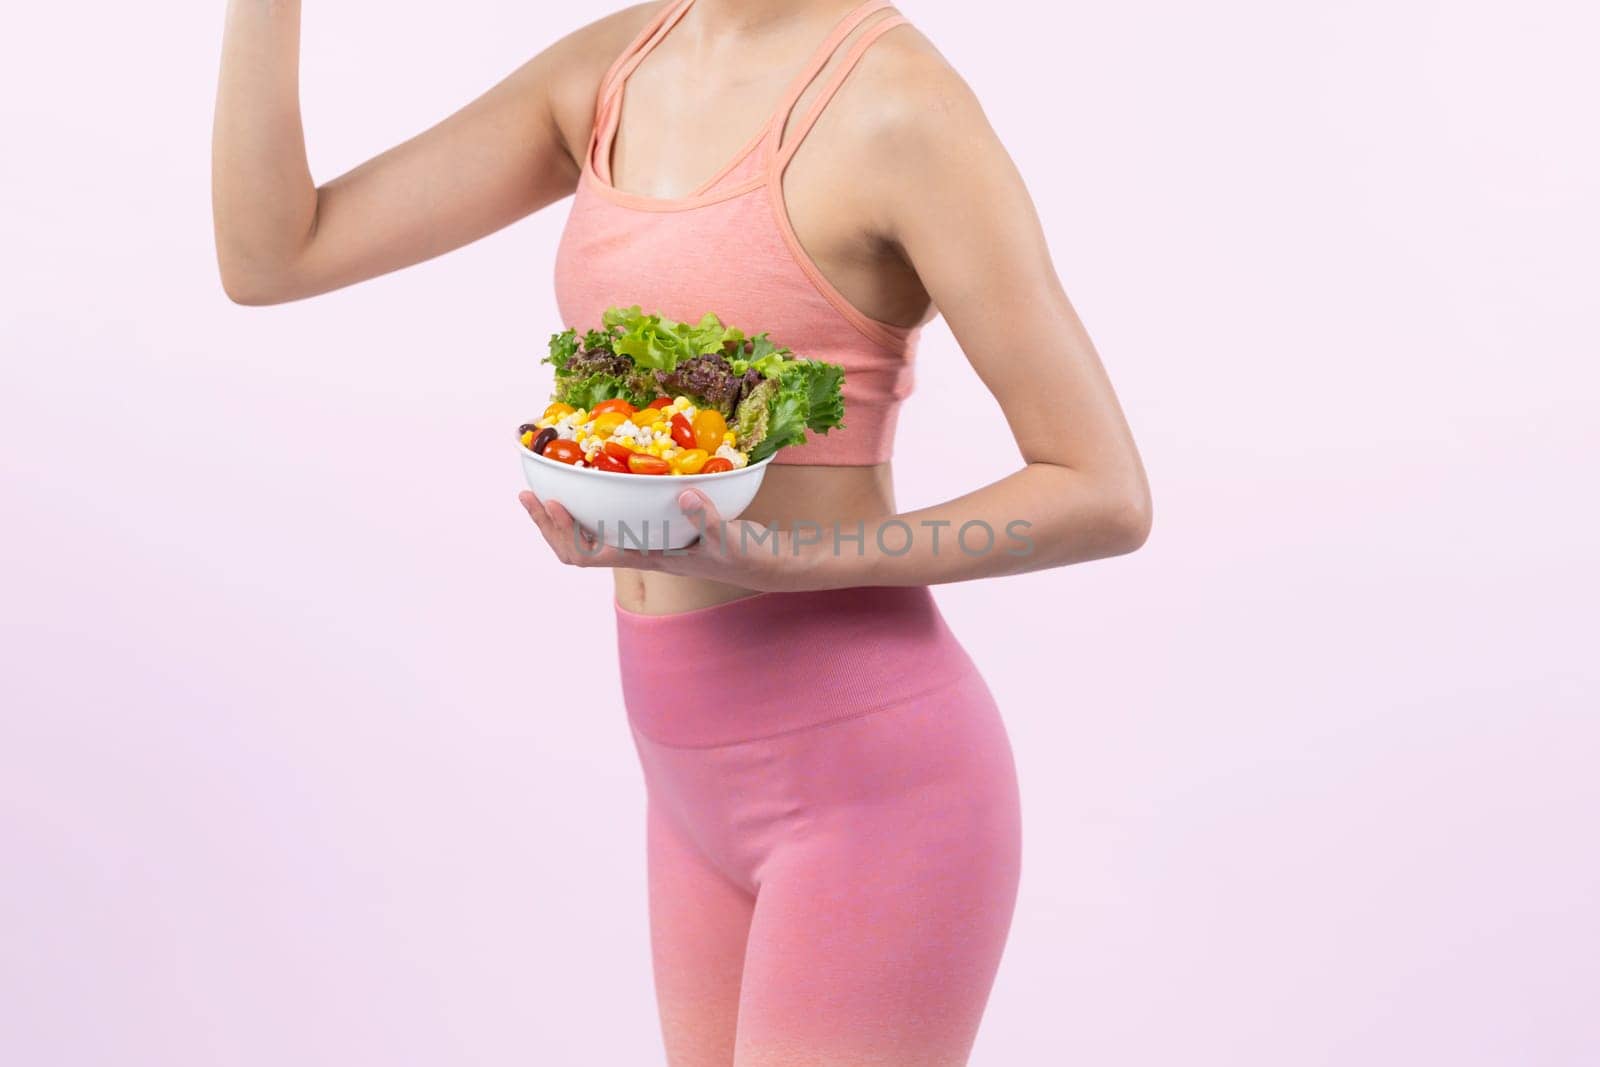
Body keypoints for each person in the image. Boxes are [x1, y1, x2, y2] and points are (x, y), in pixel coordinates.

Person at [213, 1, 1152, 1062]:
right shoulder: (614, 67)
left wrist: (801, 560)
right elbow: (273, 256)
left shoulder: (898, 110)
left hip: (872, 793)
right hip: (687, 787)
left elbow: (1101, 491)